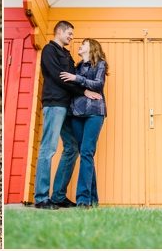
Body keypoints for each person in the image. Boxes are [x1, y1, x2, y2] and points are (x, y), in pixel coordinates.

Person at [33, 21, 102, 210]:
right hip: (54, 104)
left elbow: (74, 77)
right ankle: (41, 198)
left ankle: (58, 196)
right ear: (60, 31)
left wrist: (83, 88)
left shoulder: (67, 55)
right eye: (70, 33)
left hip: (67, 108)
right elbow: (58, 76)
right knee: (48, 149)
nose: (72, 37)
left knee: (72, 148)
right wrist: (83, 92)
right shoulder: (50, 50)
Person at [61, 38, 108, 208]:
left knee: (87, 153)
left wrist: (77, 78)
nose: (80, 46)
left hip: (95, 113)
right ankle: (93, 200)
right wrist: (76, 78)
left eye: (84, 43)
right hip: (76, 113)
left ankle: (82, 200)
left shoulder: (100, 64)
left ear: (92, 47)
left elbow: (98, 84)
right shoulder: (77, 67)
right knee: (85, 154)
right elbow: (72, 87)